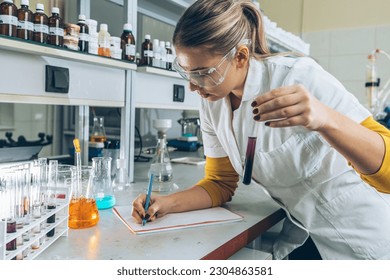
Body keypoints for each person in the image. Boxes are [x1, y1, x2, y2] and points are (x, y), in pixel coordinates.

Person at [132, 0, 390, 259]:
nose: (192, 85)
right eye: (186, 72)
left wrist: (325, 118)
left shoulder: (297, 76)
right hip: (305, 237)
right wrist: (167, 203)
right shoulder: (211, 101)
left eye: (202, 72)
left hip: (367, 239)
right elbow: (219, 183)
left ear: (241, 57)